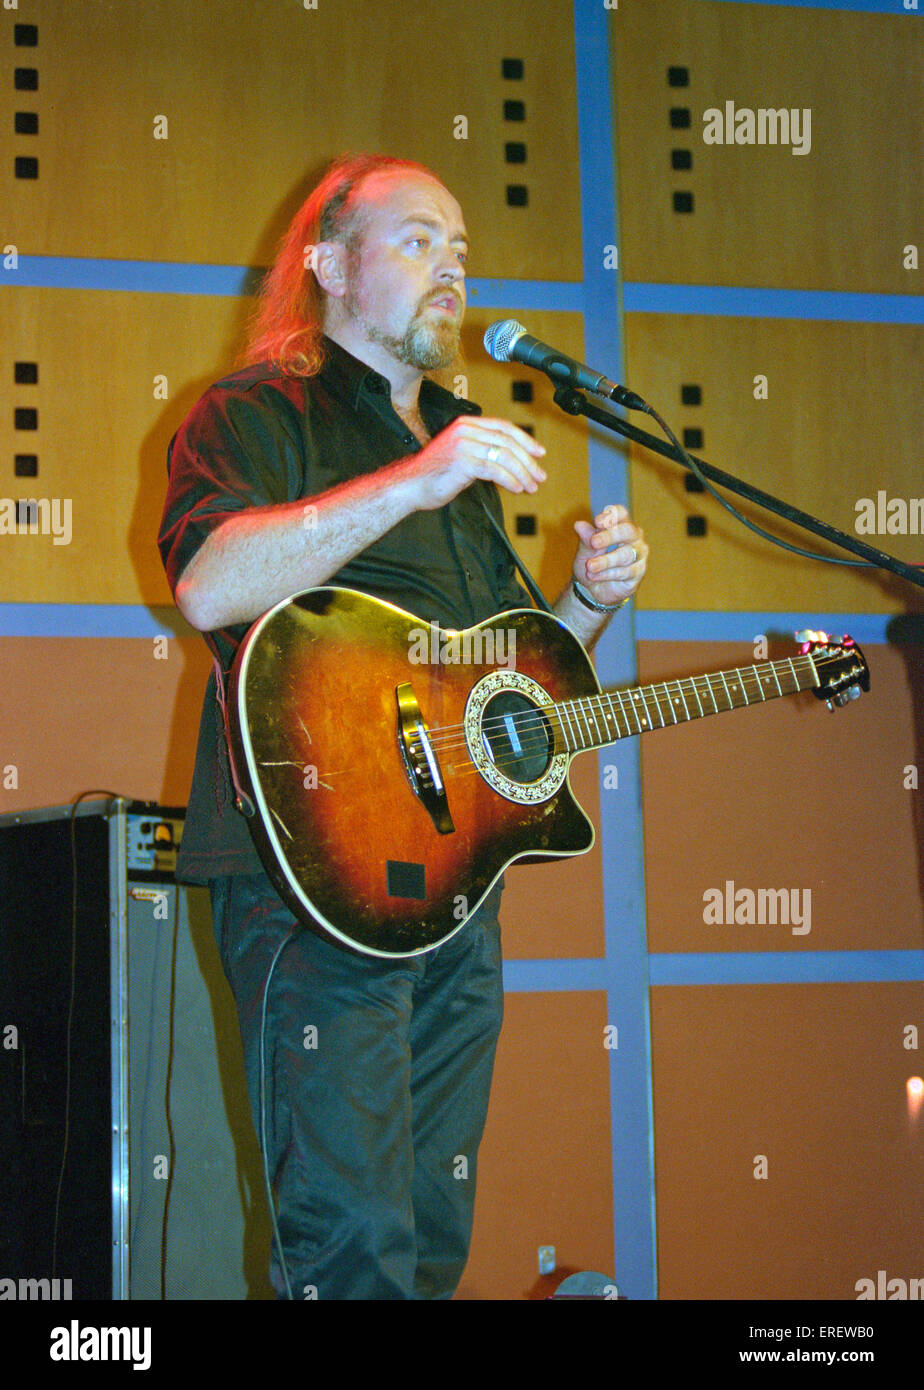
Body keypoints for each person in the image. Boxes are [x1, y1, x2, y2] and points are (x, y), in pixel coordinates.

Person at [157, 153, 648, 1300]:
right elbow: (208, 585)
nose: (453, 267)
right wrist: (411, 482)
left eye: (462, 249)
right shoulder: (254, 414)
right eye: (419, 240)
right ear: (329, 265)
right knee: (350, 1253)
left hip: (456, 895)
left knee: (426, 1246)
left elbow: (512, 691)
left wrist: (586, 604)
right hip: (309, 886)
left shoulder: (459, 453)